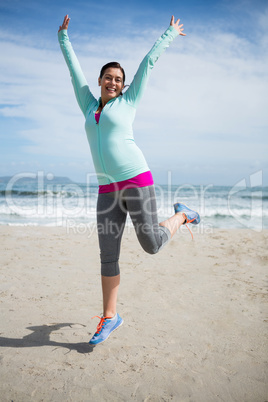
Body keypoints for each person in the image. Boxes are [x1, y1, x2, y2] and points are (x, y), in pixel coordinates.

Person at [58, 14, 200, 345]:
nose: (113, 82)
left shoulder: (129, 101)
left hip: (137, 182)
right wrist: (64, 37)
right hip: (107, 191)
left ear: (123, 85)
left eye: (118, 79)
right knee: (107, 255)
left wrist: (169, 34)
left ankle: (183, 214)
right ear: (100, 81)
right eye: (108, 77)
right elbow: (73, 71)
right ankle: (110, 317)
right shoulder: (88, 107)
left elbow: (148, 63)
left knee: (151, 245)